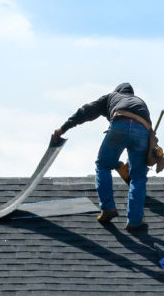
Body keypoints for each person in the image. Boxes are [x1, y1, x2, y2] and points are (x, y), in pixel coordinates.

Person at [53, 83, 154, 231]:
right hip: (143, 131)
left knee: (103, 165)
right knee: (138, 177)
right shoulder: (140, 103)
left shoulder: (111, 97)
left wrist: (63, 128)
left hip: (120, 124)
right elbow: (141, 136)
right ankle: (135, 221)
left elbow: (85, 111)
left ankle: (107, 208)